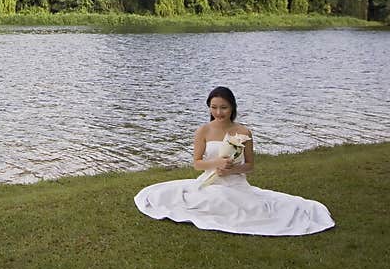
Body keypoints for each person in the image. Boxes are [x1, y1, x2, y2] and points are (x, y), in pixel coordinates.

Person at [133, 86, 334, 236]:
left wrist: (230, 170)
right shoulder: (203, 130)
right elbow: (196, 163)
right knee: (204, 200)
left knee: (246, 208)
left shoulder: (243, 132)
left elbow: (250, 166)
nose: (218, 112)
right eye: (214, 107)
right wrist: (216, 164)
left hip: (236, 182)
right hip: (209, 181)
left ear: (232, 107)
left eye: (223, 108)